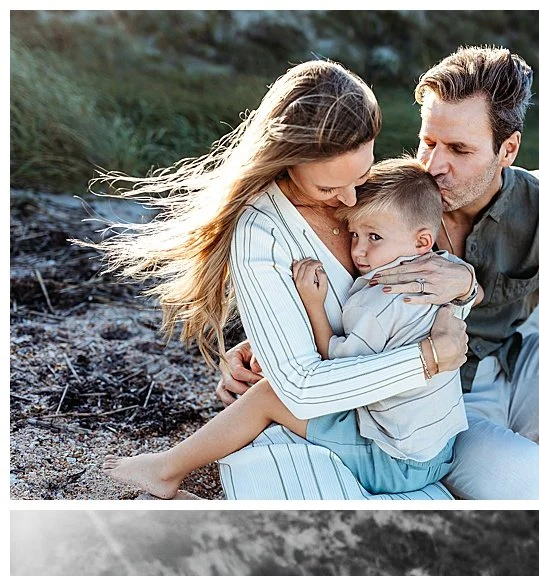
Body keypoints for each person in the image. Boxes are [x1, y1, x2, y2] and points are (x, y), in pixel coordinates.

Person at [214, 46, 539, 499]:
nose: (434, 166)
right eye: (428, 141)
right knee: (515, 478)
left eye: (459, 150)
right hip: (434, 407)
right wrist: (267, 347)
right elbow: (334, 292)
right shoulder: (384, 198)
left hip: (514, 371)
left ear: (508, 150)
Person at [92, 59, 472, 501]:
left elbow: (437, 286)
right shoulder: (261, 232)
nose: (350, 199)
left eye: (363, 174)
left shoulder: (378, 195)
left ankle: (170, 474)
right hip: (367, 424)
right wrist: (429, 358)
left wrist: (463, 284)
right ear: (287, 162)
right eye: (329, 190)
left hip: (407, 430)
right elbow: (301, 386)